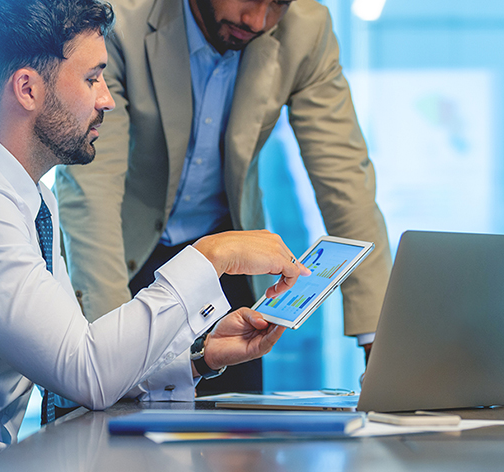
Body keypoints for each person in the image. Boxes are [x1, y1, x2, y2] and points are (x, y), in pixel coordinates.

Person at [0, 0, 309, 457]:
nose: (107, 99)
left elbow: (74, 362)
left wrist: (201, 359)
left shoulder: (25, 194)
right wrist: (212, 256)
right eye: (91, 78)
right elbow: (87, 371)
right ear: (27, 88)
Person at [54, 0, 393, 394]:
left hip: (225, 260)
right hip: (120, 256)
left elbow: (345, 178)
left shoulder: (305, 28)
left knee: (239, 439)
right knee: (108, 428)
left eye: (279, 4)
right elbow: (92, 192)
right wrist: (108, 362)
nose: (259, 21)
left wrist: (380, 341)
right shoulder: (118, 21)